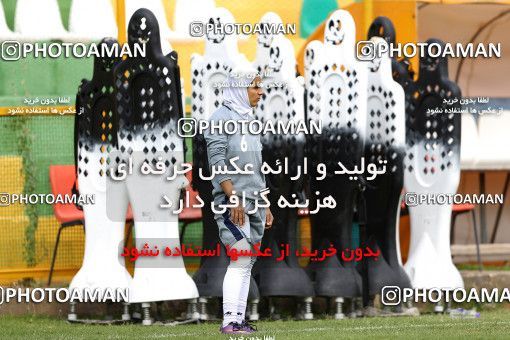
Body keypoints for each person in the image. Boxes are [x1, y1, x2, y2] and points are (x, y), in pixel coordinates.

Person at [204, 65, 273, 334]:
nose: (261, 91)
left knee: (248, 261)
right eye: (255, 86)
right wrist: (233, 199)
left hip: (255, 202)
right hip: (234, 204)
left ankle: (238, 319)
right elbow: (217, 162)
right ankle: (230, 322)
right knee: (241, 258)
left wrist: (265, 203)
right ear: (239, 89)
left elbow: (257, 166)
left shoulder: (250, 119)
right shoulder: (219, 118)